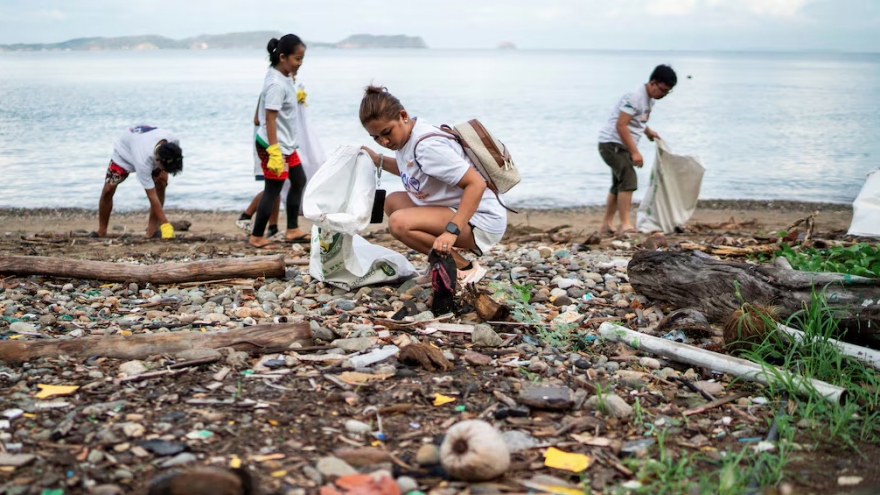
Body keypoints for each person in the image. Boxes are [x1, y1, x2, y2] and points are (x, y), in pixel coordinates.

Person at [359, 86, 507, 285]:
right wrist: (378, 160)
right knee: (393, 202)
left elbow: (476, 184)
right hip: (455, 209)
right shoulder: (406, 137)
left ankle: (463, 268)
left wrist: (451, 232)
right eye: (376, 137)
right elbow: (412, 170)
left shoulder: (427, 147)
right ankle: (439, 263)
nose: (384, 141)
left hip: (483, 220)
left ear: (403, 115)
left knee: (399, 223)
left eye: (386, 133)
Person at [598, 64, 677, 235]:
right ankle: (625, 224)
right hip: (612, 143)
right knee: (628, 180)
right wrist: (635, 152)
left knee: (618, 184)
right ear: (653, 82)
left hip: (620, 144)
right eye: (662, 90)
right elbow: (621, 125)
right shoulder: (635, 97)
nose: (662, 95)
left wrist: (648, 132)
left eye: (666, 92)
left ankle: (606, 224)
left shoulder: (650, 100)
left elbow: (637, 121)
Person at [249, 34, 309, 248]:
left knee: (299, 180)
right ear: (282, 57)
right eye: (297, 59)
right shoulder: (276, 83)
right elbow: (269, 118)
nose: (300, 63)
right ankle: (257, 235)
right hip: (273, 145)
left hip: (286, 145)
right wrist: (274, 150)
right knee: (273, 188)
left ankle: (292, 229)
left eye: (302, 59)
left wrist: (297, 95)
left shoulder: (283, 76)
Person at [97, 125, 183, 238]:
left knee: (161, 182)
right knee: (109, 189)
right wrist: (166, 224)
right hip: (124, 154)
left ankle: (151, 231)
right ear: (157, 160)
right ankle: (101, 231)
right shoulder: (143, 160)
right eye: (163, 168)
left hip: (144, 143)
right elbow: (151, 196)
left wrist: (164, 171)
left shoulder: (173, 142)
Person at [235, 97, 281, 239]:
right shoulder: (273, 89)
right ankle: (246, 215)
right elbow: (257, 119)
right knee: (273, 187)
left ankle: (273, 227)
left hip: (278, 144)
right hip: (267, 145)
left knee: (278, 186)